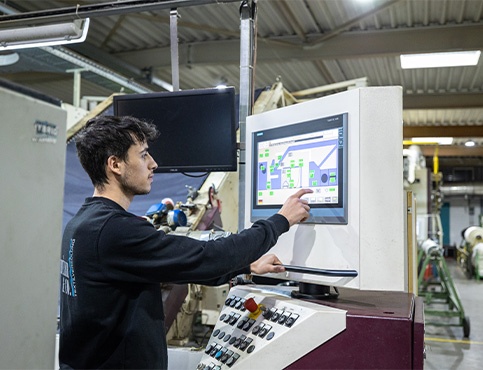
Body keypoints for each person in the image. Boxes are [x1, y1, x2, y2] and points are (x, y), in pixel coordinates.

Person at [59, 115, 312, 369]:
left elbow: (177, 266)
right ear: (115, 164)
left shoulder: (81, 224)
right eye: (144, 155)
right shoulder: (114, 230)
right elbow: (207, 257)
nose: (153, 164)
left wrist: (246, 266)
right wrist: (280, 220)